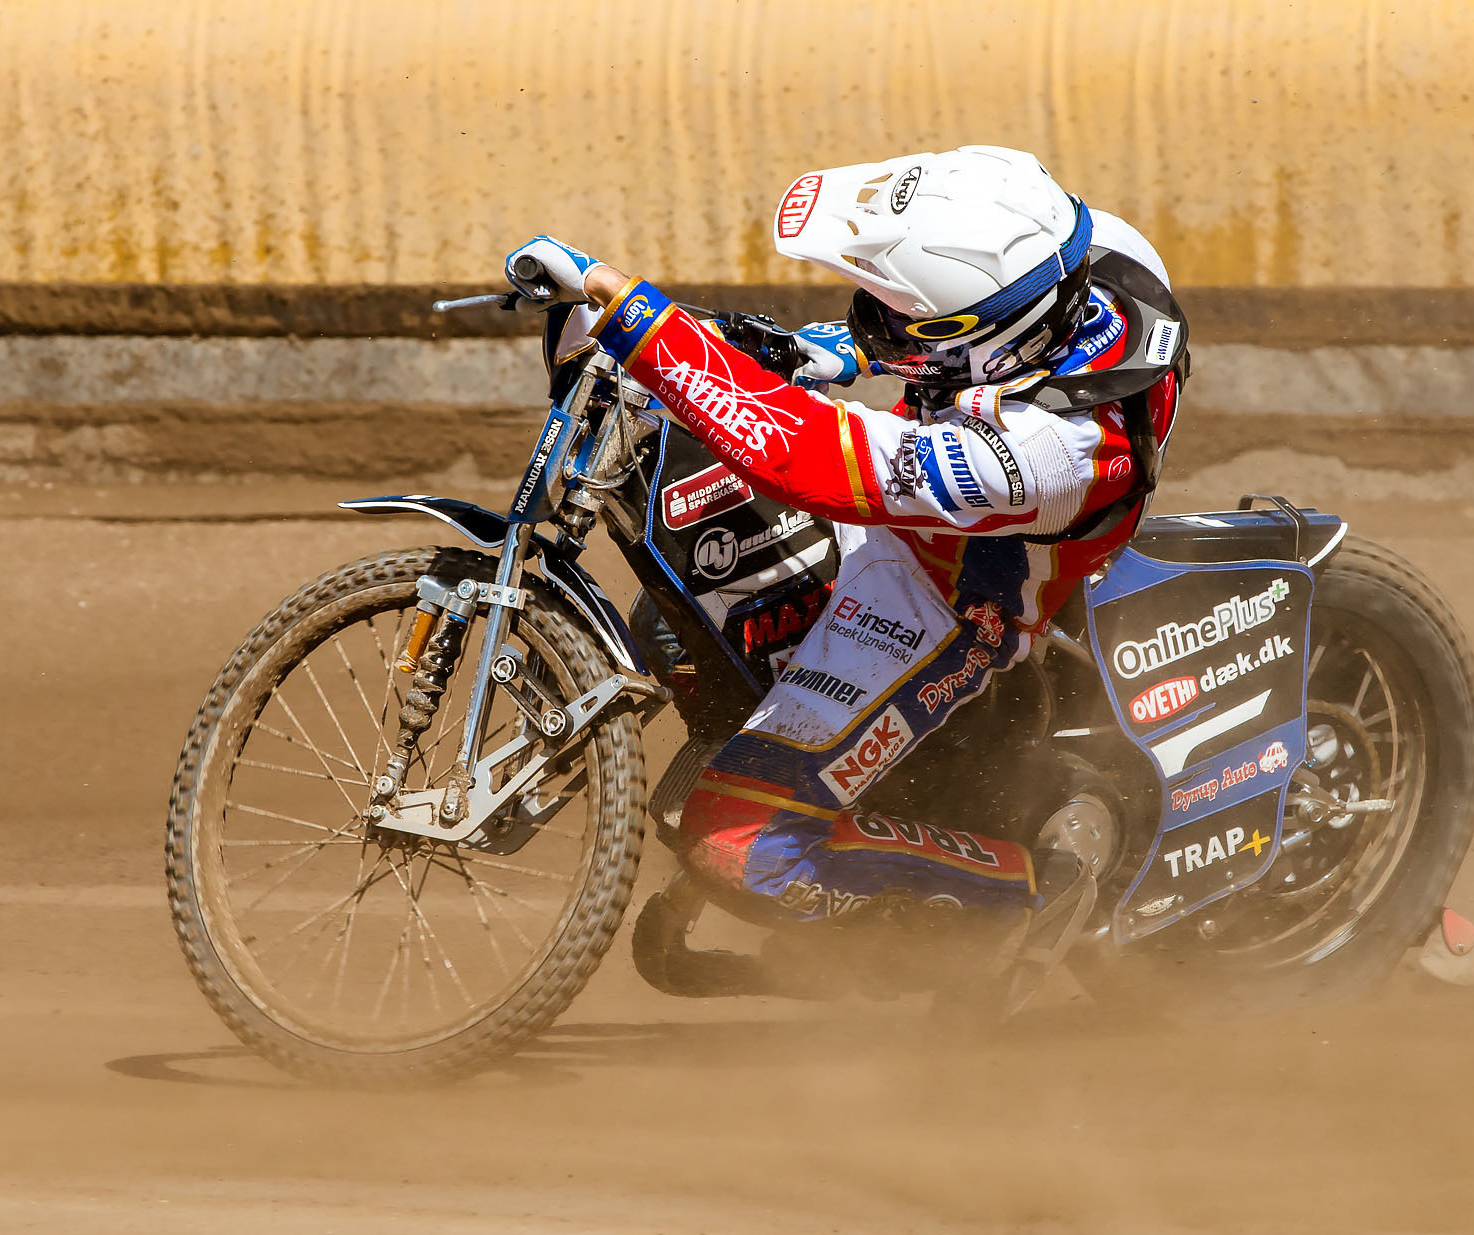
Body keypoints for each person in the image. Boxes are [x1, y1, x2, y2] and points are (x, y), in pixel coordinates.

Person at [503, 144, 1188, 995]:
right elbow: (932, 353)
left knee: (734, 847)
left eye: (896, 317)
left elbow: (811, 458)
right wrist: (828, 353)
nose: (874, 319)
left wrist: (639, 319)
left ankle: (1017, 896)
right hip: (935, 507)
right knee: (683, 606)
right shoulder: (1079, 252)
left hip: (957, 599)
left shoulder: (1050, 454)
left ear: (972, 339)